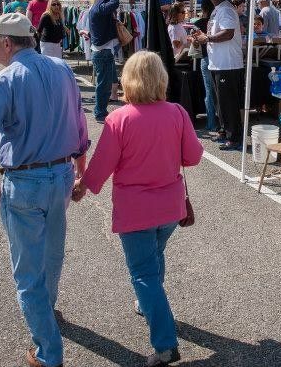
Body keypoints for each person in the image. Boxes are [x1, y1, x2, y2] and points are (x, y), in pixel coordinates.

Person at [0, 12, 90, 367]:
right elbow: (79, 120)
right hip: (61, 176)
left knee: (27, 270)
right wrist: (80, 169)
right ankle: (46, 311)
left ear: (7, 42)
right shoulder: (62, 69)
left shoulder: (4, 80)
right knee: (52, 254)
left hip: (25, 180)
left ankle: (48, 352)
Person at [74, 51, 202, 367]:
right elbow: (194, 157)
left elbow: (102, 165)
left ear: (128, 80)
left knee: (143, 273)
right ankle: (149, 305)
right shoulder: (177, 113)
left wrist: (82, 186)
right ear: (161, 79)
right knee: (154, 259)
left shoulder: (120, 119)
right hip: (171, 207)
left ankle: (165, 344)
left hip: (135, 211)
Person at [192, 0, 244, 149]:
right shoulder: (218, 10)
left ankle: (234, 137)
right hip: (218, 63)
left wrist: (207, 38)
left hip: (227, 64)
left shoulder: (227, 10)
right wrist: (202, 37)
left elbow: (228, 33)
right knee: (220, 102)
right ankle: (224, 130)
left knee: (228, 102)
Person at [89, 0, 121, 122]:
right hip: (102, 52)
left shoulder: (95, 9)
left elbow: (110, 5)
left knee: (104, 85)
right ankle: (100, 113)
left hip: (102, 51)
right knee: (103, 85)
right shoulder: (98, 9)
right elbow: (114, 3)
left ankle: (101, 111)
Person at [193, 0, 219, 134]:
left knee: (209, 91)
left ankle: (211, 123)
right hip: (220, 58)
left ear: (202, 8)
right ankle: (221, 122)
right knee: (219, 90)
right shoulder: (217, 21)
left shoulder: (198, 23)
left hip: (206, 58)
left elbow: (196, 44)